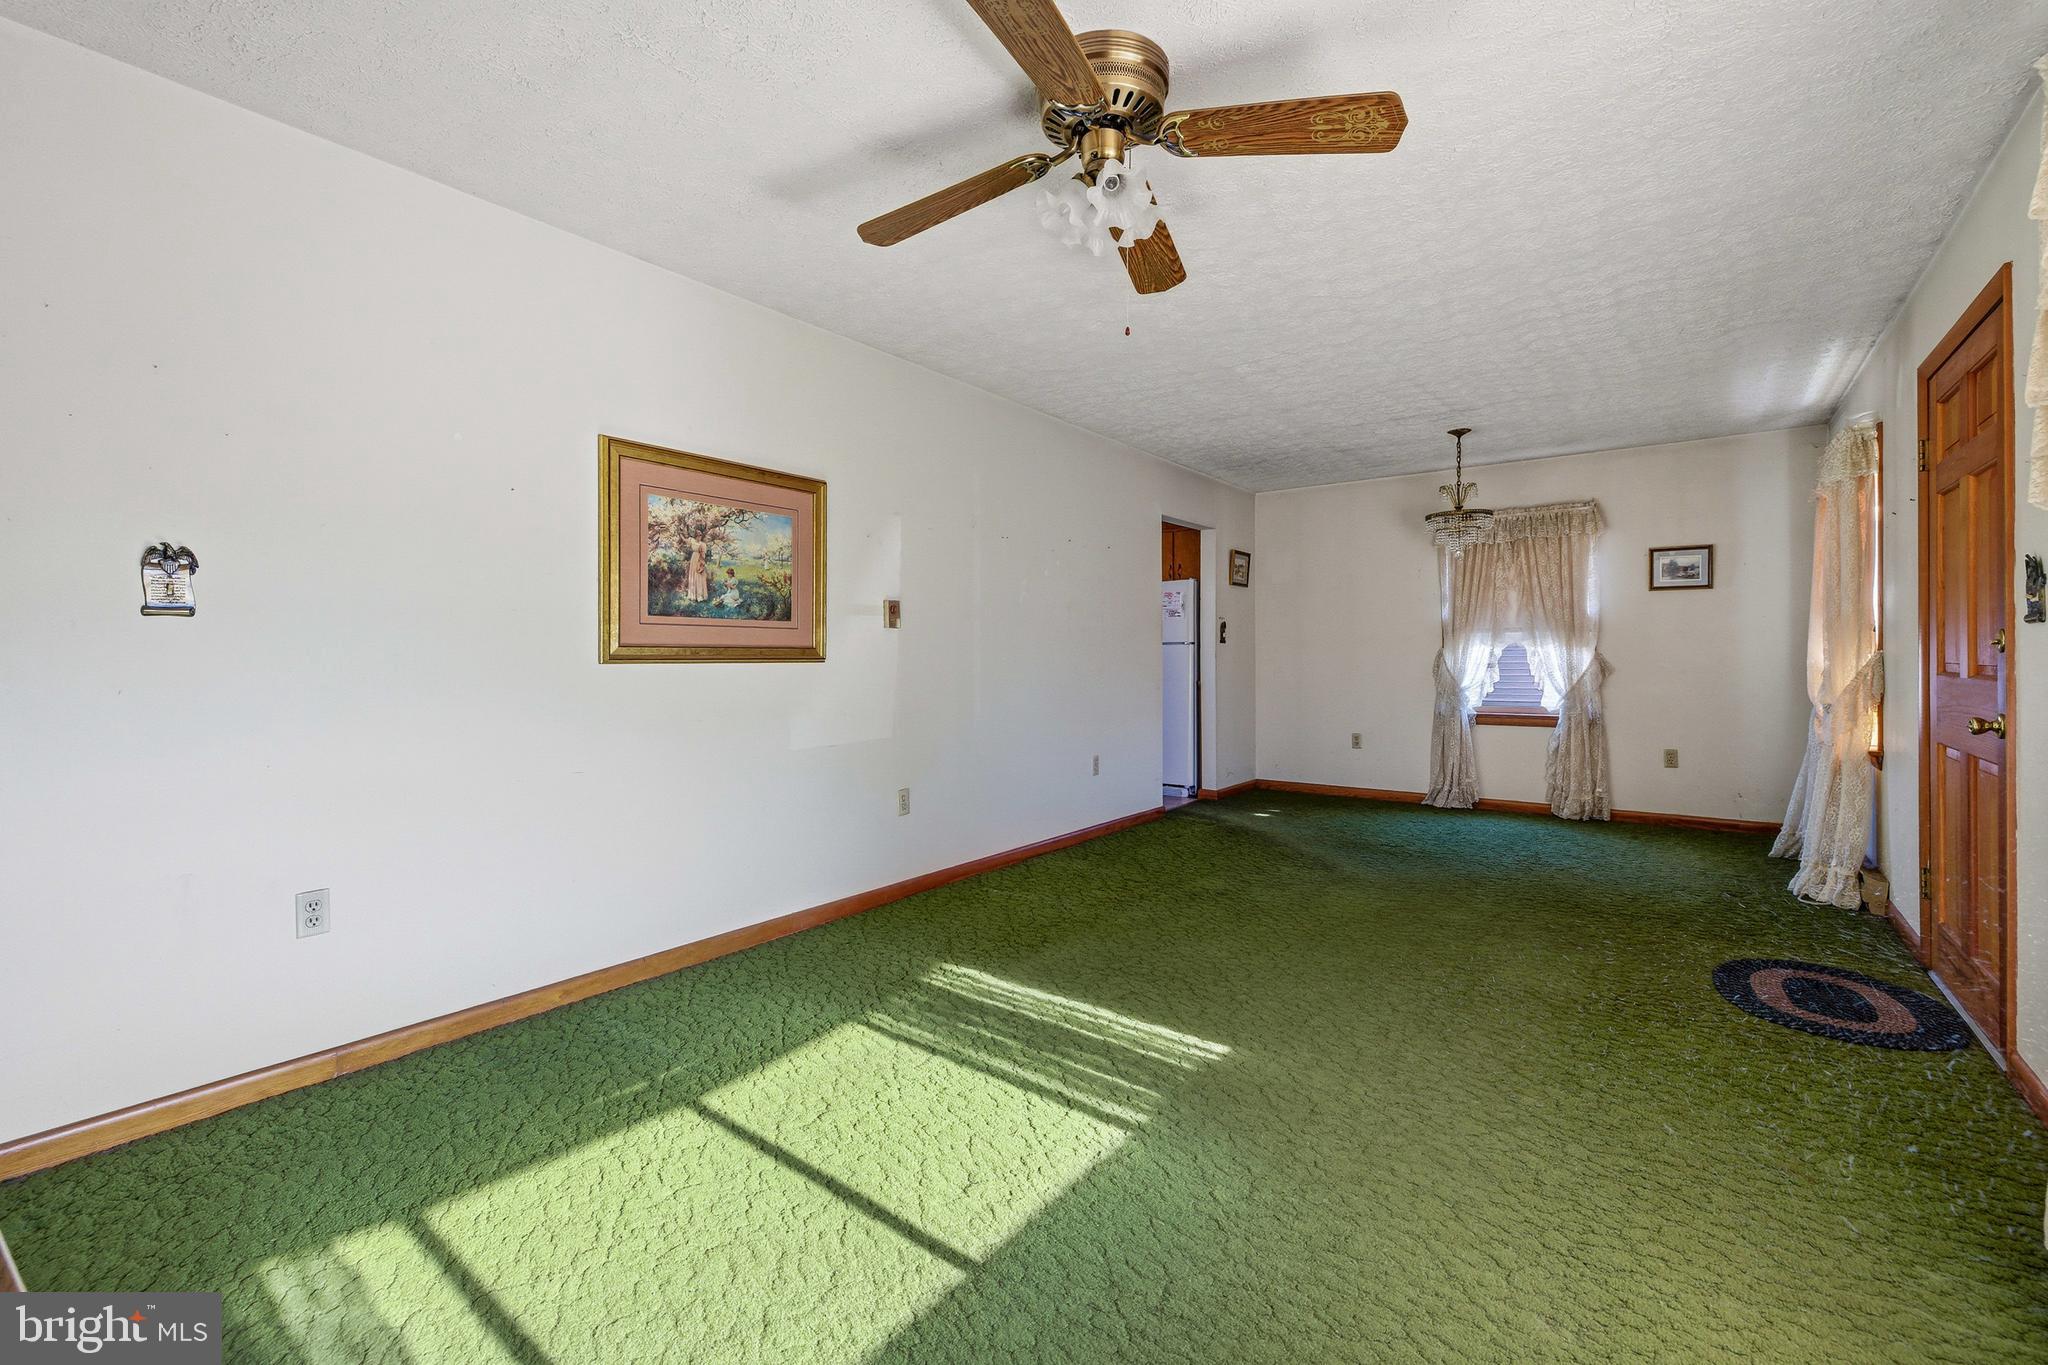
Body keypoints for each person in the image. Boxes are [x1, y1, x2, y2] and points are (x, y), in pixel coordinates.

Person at [686, 537, 710, 603]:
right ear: (695, 536)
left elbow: (703, 555)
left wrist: (702, 564)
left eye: (700, 535)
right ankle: (693, 595)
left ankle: (699, 596)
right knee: (693, 575)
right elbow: (685, 540)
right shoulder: (692, 541)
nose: (699, 536)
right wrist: (680, 533)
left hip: (699, 560)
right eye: (697, 535)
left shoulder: (702, 544)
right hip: (693, 559)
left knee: (699, 576)